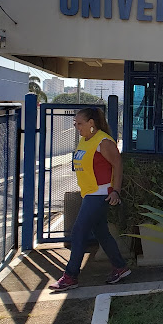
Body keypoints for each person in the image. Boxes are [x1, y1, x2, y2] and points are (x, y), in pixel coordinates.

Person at [49, 107, 130, 291]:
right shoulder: (85, 141)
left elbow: (118, 164)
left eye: (80, 123)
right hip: (89, 194)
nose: (77, 127)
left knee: (78, 231)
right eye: (75, 123)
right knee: (101, 233)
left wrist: (115, 191)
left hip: (100, 194)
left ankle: (70, 276)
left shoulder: (103, 141)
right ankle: (120, 267)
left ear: (91, 123)